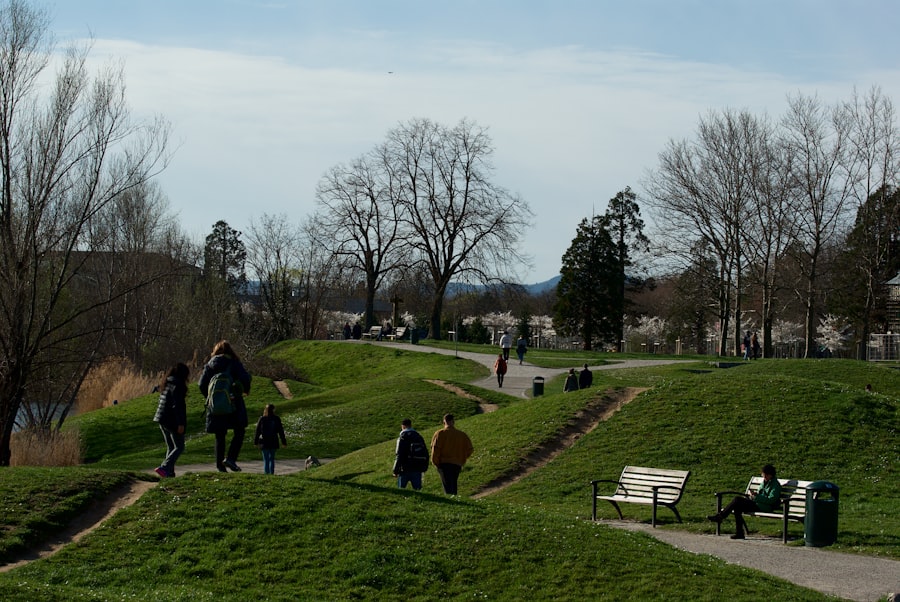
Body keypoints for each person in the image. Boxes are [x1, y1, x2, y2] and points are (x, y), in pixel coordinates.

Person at [199, 340, 252, 473]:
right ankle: (231, 458)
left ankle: (220, 466)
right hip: (234, 403)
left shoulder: (210, 365)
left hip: (215, 406)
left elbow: (201, 384)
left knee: (220, 435)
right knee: (239, 431)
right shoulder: (234, 363)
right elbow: (245, 378)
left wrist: (211, 398)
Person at [708, 464, 783, 539]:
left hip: (765, 507)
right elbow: (759, 493)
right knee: (737, 507)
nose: (764, 477)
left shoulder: (775, 485)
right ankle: (739, 533)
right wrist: (753, 495)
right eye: (763, 475)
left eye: (766, 475)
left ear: (771, 475)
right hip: (757, 504)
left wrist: (756, 496)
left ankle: (721, 516)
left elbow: (771, 500)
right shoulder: (765, 482)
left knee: (737, 500)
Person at [152, 363, 189, 478]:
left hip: (161, 418)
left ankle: (169, 473)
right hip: (171, 419)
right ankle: (165, 467)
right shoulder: (178, 386)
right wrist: (181, 423)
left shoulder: (166, 383)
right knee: (180, 446)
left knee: (171, 446)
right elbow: (178, 406)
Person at [430, 414, 474, 495]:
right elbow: (470, 449)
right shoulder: (462, 435)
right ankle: (455, 500)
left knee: (447, 486)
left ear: (444, 422)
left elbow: (435, 449)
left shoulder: (440, 433)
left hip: (444, 463)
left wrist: (435, 462)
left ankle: (451, 502)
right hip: (457, 463)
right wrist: (462, 457)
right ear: (453, 422)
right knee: (453, 483)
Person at [392, 418, 428, 490]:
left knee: (401, 491)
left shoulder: (402, 437)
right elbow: (425, 452)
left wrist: (395, 470)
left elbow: (399, 455)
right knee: (418, 490)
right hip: (417, 468)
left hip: (404, 468)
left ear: (403, 426)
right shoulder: (418, 436)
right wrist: (424, 467)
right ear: (411, 425)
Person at [254, 403, 287, 475]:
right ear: (274, 410)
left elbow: (258, 431)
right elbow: (281, 431)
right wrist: (283, 442)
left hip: (264, 441)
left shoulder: (262, 418)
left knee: (266, 459)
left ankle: (266, 473)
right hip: (273, 440)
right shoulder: (276, 419)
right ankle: (271, 473)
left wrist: (255, 442)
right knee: (271, 458)